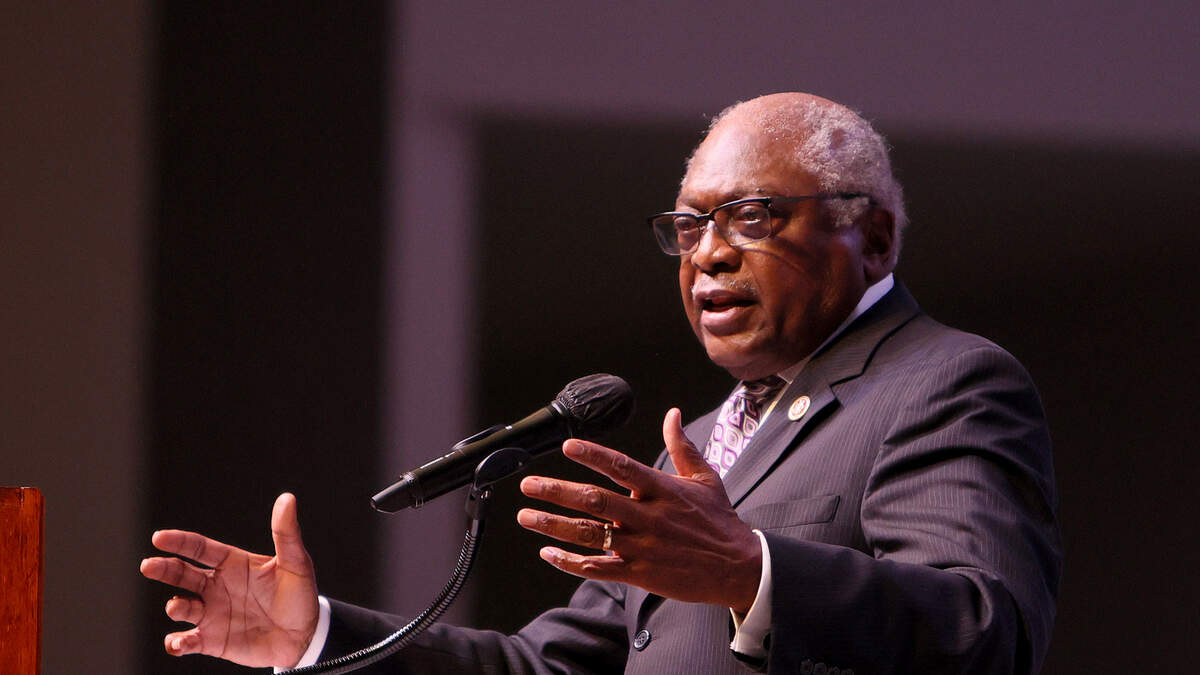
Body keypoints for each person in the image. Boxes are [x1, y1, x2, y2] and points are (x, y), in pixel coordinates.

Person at [141, 92, 1062, 673]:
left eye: (751, 216)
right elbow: (543, 667)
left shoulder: (944, 381)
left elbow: (986, 631)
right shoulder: (698, 447)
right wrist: (314, 634)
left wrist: (753, 570)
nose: (708, 254)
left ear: (875, 238)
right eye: (689, 227)